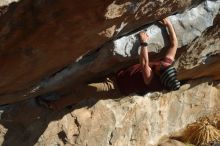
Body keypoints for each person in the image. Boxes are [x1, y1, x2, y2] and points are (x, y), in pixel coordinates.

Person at [37, 18, 180, 110]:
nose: (162, 64)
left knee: (84, 90)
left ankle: (53, 106)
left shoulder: (153, 81)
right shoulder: (165, 66)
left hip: (115, 87)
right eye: (164, 65)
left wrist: (143, 42)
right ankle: (70, 102)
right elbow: (174, 44)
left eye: (161, 67)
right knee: (87, 86)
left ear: (159, 75)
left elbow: (144, 63)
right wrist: (168, 24)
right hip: (118, 76)